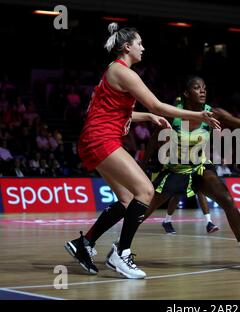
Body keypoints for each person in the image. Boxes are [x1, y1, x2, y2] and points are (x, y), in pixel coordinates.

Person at [64, 23, 220, 279]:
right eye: (139, 43)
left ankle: (85, 244)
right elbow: (158, 104)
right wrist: (198, 114)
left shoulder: (114, 71)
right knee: (146, 190)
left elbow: (119, 112)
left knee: (127, 200)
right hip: (101, 139)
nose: (143, 48)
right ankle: (121, 254)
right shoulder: (125, 73)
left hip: (95, 138)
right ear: (127, 46)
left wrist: (147, 117)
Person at [139, 76, 240, 272]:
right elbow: (154, 139)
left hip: (200, 168)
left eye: (204, 88)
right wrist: (144, 166)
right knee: (143, 210)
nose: (202, 91)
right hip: (175, 169)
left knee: (227, 199)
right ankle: (119, 247)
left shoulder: (214, 113)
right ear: (186, 93)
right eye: (196, 88)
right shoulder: (173, 114)